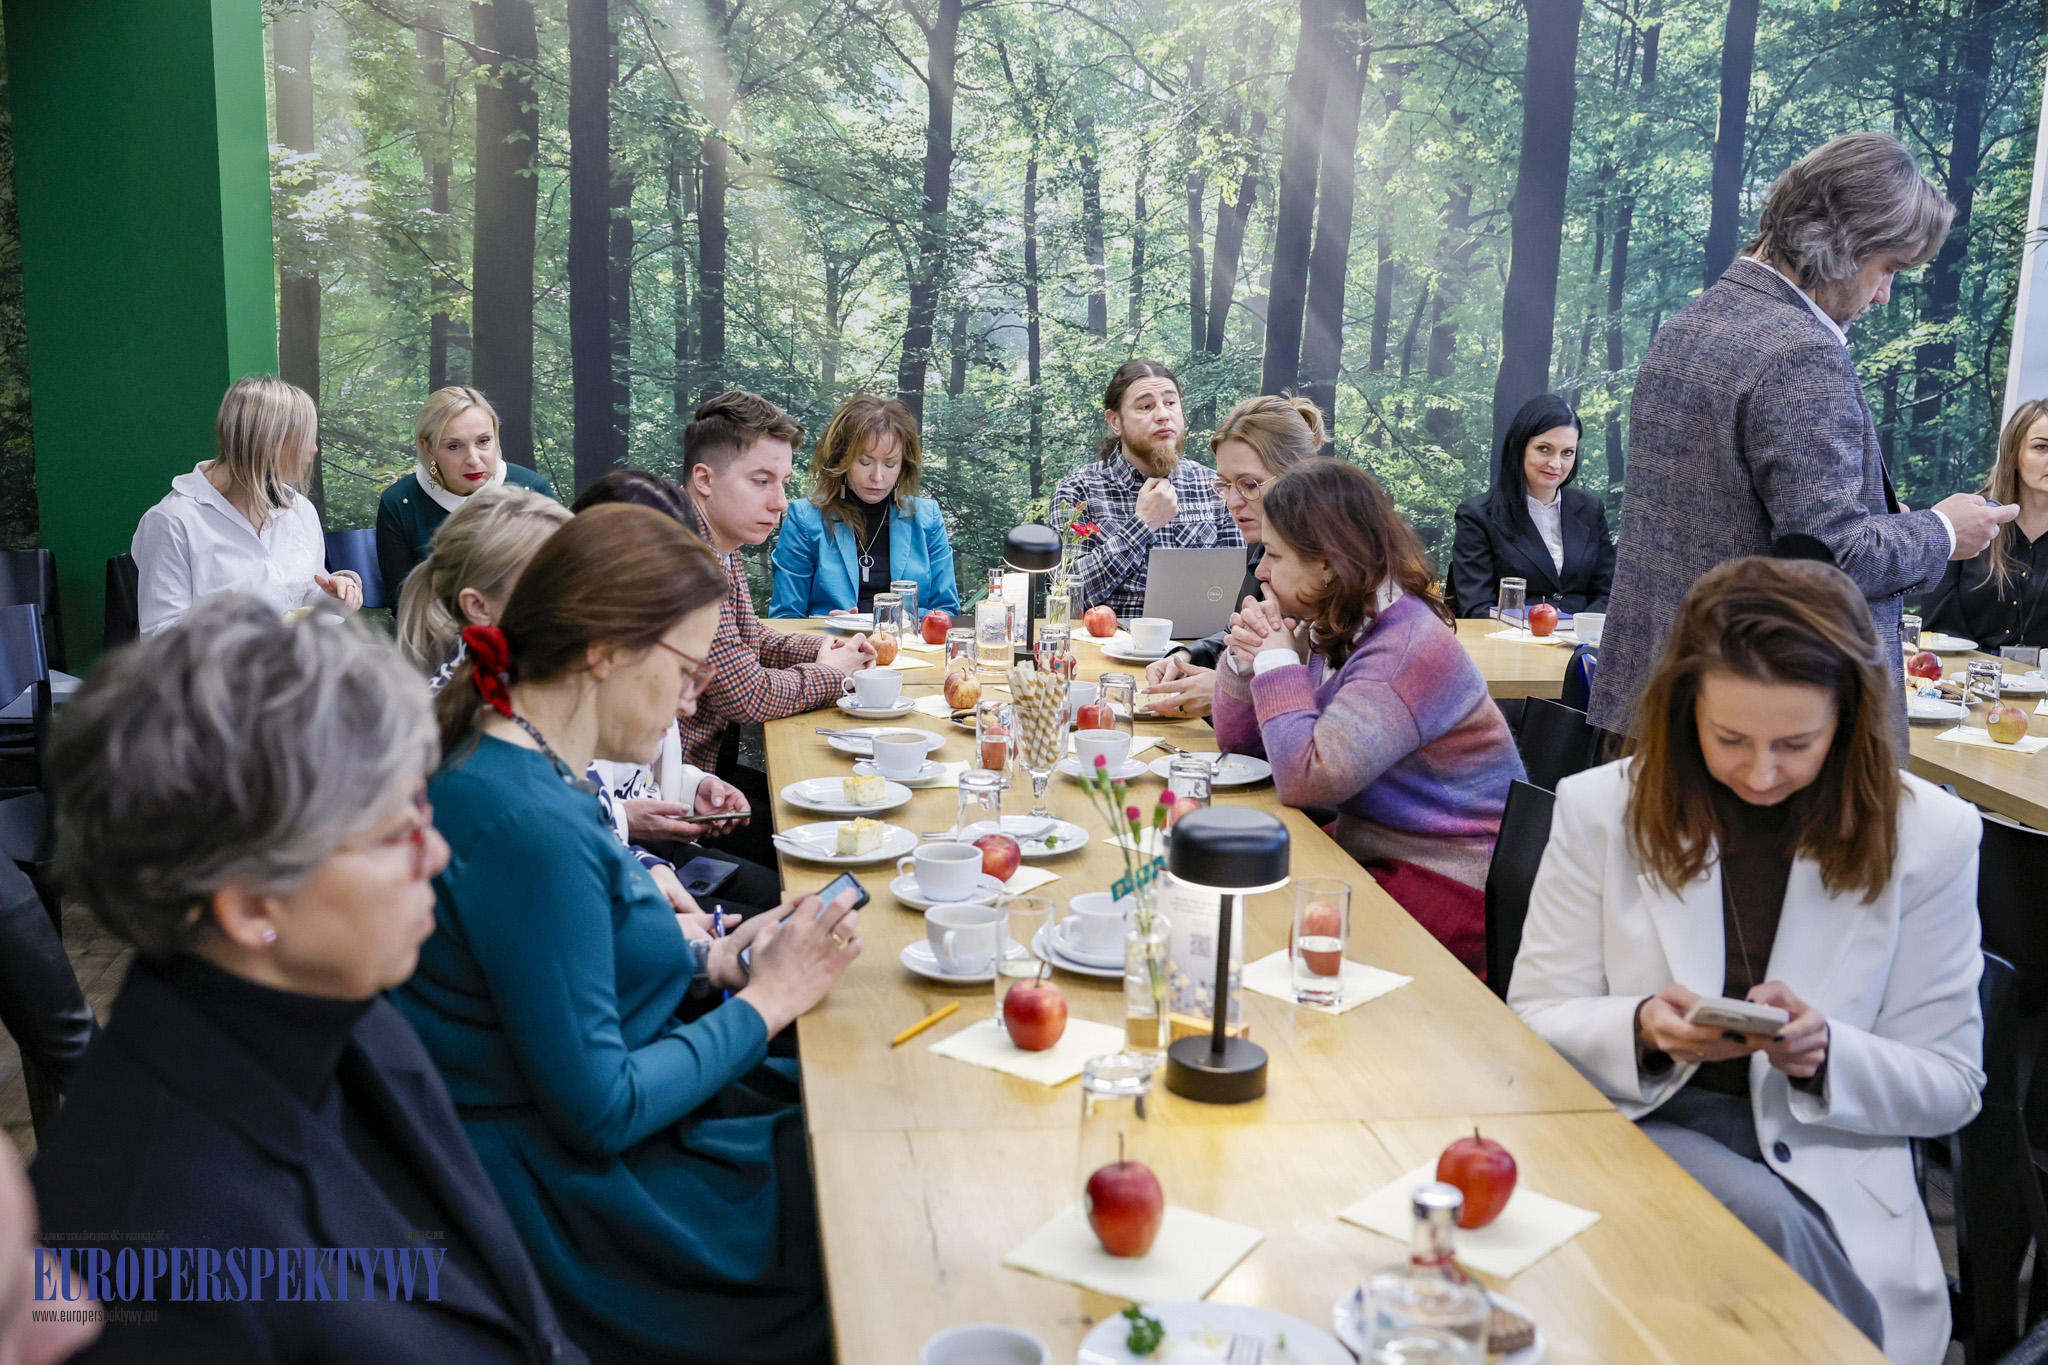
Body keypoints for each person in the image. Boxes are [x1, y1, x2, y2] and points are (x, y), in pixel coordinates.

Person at [32, 596, 586, 1364]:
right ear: (254, 899)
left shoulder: (335, 1003)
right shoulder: (154, 1255)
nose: (435, 855)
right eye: (396, 833)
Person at [394, 503, 862, 1365]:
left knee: (861, 1100)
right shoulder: (524, 817)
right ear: (605, 650)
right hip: (580, 1208)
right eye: (684, 669)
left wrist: (717, 958)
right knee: (863, 1196)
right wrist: (767, 997)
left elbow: (571, 975)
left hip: (609, 1140)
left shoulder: (526, 765)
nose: (693, 699)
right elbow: (601, 1107)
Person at [1510, 557, 1984, 1365]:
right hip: (1642, 1118)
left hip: (1829, 1158)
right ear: (1683, 706)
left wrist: (1827, 1052)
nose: (1760, 772)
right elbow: (1530, 1026)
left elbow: (1951, 1085)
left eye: (1797, 743)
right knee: (1759, 1236)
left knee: (1759, 1244)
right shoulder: (1603, 808)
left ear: (1849, 721)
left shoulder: (1930, 833)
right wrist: (1643, 1029)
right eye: (1729, 739)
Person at [1590, 132, 2014, 747]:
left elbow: (1731, 517)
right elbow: (1832, 555)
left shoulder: (1693, 322)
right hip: (1753, 732)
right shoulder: (1800, 351)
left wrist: (1881, 521)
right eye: (1888, 268)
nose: (1884, 294)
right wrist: (1943, 532)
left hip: (1656, 702)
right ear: (1844, 244)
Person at [1212, 460, 1524, 972]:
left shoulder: (1402, 650)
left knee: (1266, 939)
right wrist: (1248, 660)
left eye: (1272, 554)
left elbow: (1307, 779)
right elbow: (1242, 747)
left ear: (1327, 564)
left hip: (1449, 877)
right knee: (1241, 903)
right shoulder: (1335, 621)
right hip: (1376, 851)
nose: (1260, 571)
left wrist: (1275, 661)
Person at [570, 471, 784, 916]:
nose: (688, 704)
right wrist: (711, 955)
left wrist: (690, 787)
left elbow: (627, 786)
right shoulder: (550, 735)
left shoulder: (618, 669)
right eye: (682, 671)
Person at [672, 392, 872, 864]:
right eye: (761, 481)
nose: (780, 502)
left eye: (782, 482)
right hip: (678, 796)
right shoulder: (686, 559)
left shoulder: (720, 540)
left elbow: (750, 637)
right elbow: (747, 695)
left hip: (705, 777)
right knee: (830, 841)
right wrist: (834, 674)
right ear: (704, 479)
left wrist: (822, 648)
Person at [133, 377, 361, 635]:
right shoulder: (173, 522)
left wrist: (335, 594)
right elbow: (159, 638)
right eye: (305, 438)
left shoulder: (301, 510)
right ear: (270, 442)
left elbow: (302, 594)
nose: (314, 449)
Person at [1144, 393, 1326, 718]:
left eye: (1249, 484)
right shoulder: (1261, 539)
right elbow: (1241, 636)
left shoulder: (1332, 561)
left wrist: (1223, 691)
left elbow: (1329, 695)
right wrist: (1187, 656)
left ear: (1299, 476)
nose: (1233, 501)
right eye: (1225, 484)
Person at [1052, 359, 1242, 619]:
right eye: (1146, 406)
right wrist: (1141, 525)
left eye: (1171, 403)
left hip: (1198, 649)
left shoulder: (1214, 486)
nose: (1163, 414)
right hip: (1107, 651)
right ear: (1115, 422)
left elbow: (1241, 587)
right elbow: (1064, 596)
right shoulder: (1078, 490)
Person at [769, 394, 961, 620]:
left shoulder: (927, 518)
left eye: (890, 464)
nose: (877, 477)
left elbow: (947, 612)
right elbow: (785, 617)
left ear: (903, 466)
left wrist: (906, 618)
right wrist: (825, 626)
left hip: (908, 649)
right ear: (841, 459)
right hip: (831, 649)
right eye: (865, 462)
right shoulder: (804, 518)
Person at [376, 386, 557, 594]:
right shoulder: (400, 503)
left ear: (496, 436)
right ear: (428, 448)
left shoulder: (532, 489)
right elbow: (402, 599)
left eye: (483, 441)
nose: (473, 459)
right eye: (454, 446)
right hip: (437, 624)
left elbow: (566, 577)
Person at [1450, 393, 1615, 618]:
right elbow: (1478, 609)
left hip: (1582, 646)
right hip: (1510, 645)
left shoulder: (1590, 510)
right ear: (1519, 447)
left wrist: (1580, 635)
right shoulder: (1477, 516)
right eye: (1544, 448)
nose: (1556, 464)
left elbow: (1609, 595)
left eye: (1567, 452)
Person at [395, 484, 570, 681]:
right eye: (550, 582)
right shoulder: (456, 708)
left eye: (575, 574)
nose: (578, 593)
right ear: (477, 607)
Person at [1920, 397, 2048, 650]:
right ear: (2013, 454)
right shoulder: (1968, 520)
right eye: (2041, 447)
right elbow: (1937, 624)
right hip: (1960, 678)